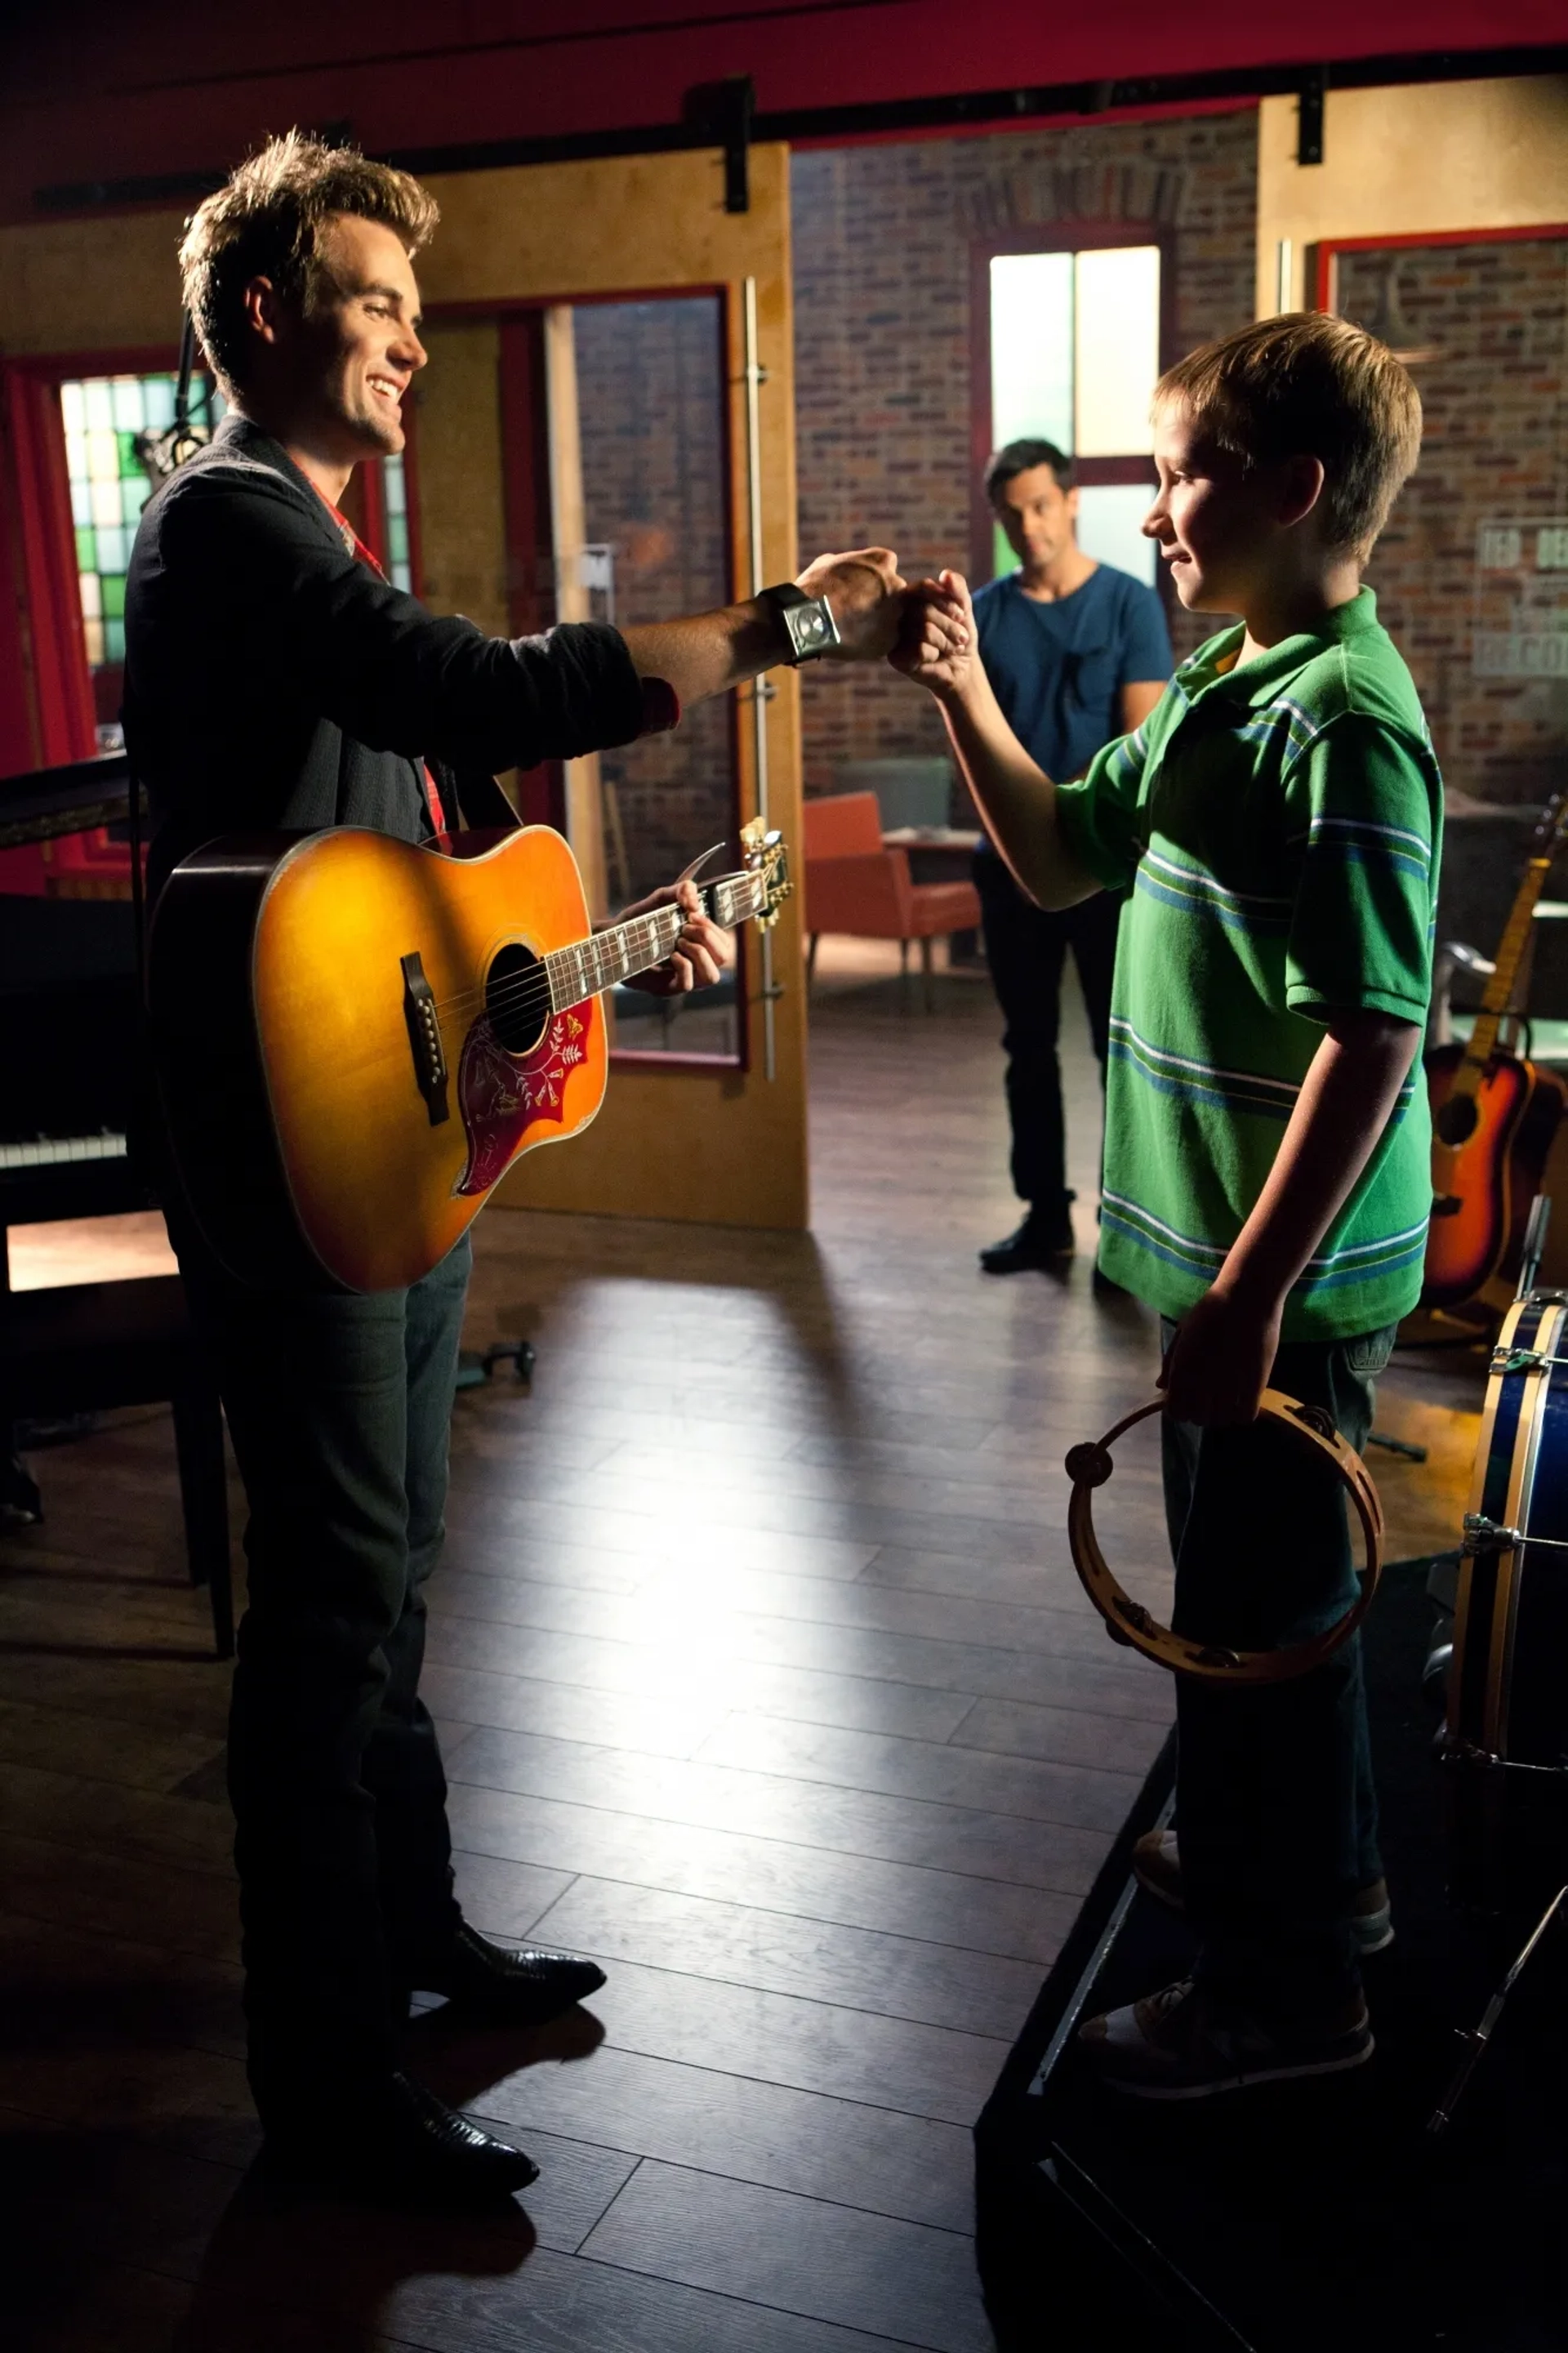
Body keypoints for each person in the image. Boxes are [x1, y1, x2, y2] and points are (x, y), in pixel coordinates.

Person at [124, 131, 911, 2200]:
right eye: (375, 301)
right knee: (328, 1599)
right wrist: (779, 633)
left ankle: (419, 1934)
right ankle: (324, 2087)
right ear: (272, 312)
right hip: (287, 1157)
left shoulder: (301, 541)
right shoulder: (227, 523)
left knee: (390, 1577)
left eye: (407, 304)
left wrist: (603, 962)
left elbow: (426, 881)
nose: (407, 341)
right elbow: (470, 684)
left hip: (397, 1144)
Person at [896, 312, 1436, 2098]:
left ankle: (1283, 2004)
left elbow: (1379, 1030)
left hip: (1267, 1290)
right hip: (1214, 1267)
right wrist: (964, 689)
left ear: (1292, 489)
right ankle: (1318, 1889)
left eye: (1182, 469)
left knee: (1252, 1636)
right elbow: (1056, 852)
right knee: (1254, 1613)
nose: (1153, 510)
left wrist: (1255, 1295)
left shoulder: (1346, 722)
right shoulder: (1230, 681)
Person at [969, 439, 1170, 1276]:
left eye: (1041, 505)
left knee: (1114, 1046)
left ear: (1073, 500)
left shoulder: (1129, 605)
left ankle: (1124, 1229)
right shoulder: (984, 612)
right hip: (1007, 862)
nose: (1029, 524)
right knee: (1028, 1043)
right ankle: (1045, 1215)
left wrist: (1069, 825)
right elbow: (972, 740)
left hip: (1104, 866)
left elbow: (1138, 745)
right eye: (1013, 513)